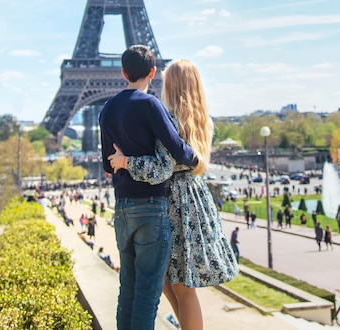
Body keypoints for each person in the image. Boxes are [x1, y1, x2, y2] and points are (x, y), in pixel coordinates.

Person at [108, 59, 238, 330]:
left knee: (176, 285)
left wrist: (125, 161)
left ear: (172, 84)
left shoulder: (170, 121)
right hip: (194, 198)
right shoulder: (203, 121)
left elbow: (161, 168)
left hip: (172, 201)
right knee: (175, 283)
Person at [99, 46, 197, 330]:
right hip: (151, 209)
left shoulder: (108, 109)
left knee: (127, 290)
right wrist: (197, 159)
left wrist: (123, 161)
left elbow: (108, 165)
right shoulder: (150, 104)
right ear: (153, 73)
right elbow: (177, 150)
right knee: (147, 295)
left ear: (123, 73)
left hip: (122, 208)